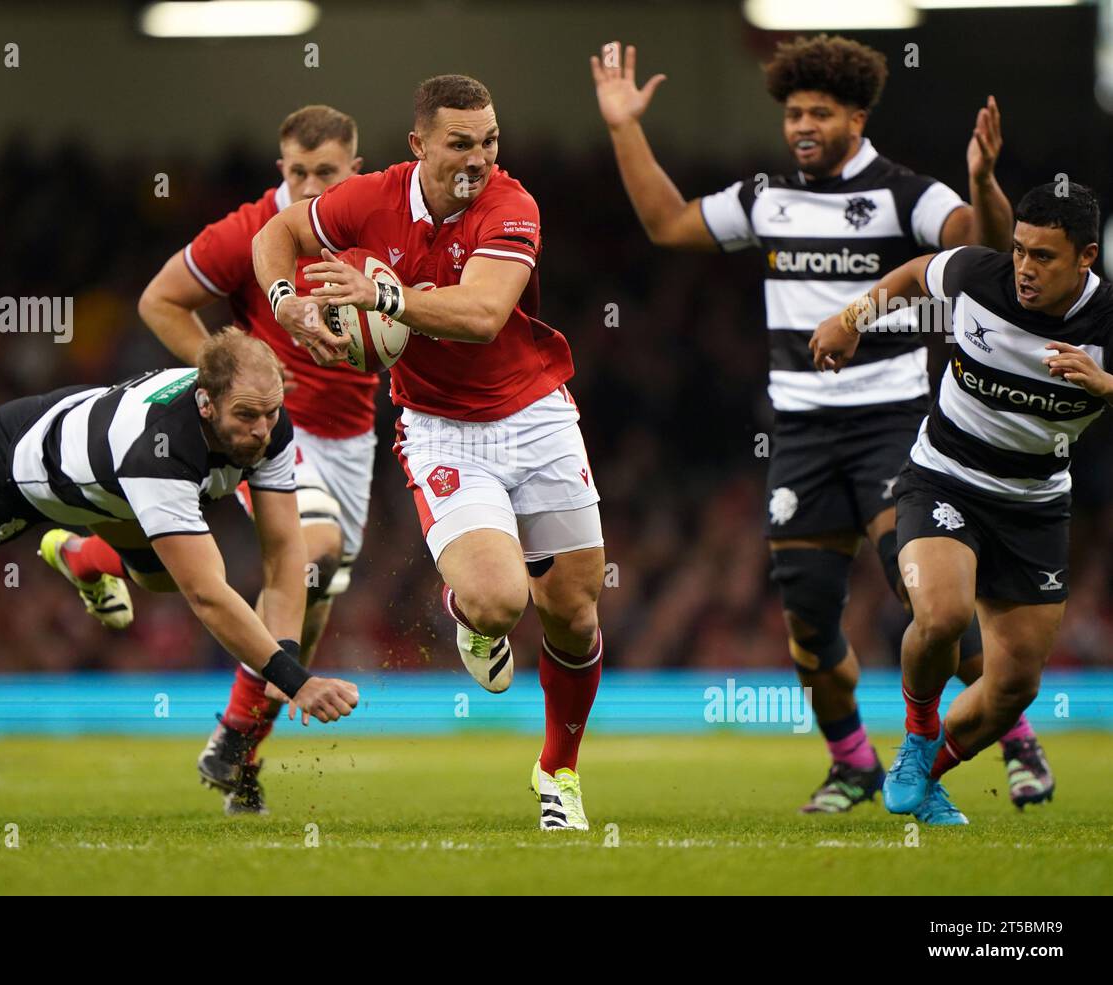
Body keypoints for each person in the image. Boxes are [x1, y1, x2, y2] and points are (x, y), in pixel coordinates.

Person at [591, 35, 1053, 813]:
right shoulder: (768, 197)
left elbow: (989, 246)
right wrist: (623, 125)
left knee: (927, 603)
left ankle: (1014, 738)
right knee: (808, 626)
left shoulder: (907, 195)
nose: (802, 125)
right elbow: (669, 222)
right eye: (793, 113)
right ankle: (853, 764)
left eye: (819, 112)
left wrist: (980, 179)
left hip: (893, 427)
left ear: (857, 116)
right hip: (801, 436)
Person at [253, 74, 605, 831]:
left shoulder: (513, 205)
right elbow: (274, 235)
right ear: (419, 146)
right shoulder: (370, 198)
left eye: (490, 142)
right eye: (459, 144)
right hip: (443, 427)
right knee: (499, 599)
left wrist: (381, 297)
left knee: (574, 611)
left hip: (535, 413)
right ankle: (468, 614)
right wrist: (289, 303)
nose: (478, 159)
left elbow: (480, 315)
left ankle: (558, 772)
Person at [0, 331, 359, 727]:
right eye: (246, 416)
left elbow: (285, 551)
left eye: (270, 413)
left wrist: (282, 660)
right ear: (205, 401)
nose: (263, 430)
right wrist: (296, 680)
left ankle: (83, 556)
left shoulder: (267, 422)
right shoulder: (160, 452)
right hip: (13, 465)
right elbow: (209, 595)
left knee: (161, 578)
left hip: (100, 486)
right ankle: (81, 550)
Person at [811, 181, 1107, 823]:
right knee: (941, 616)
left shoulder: (1107, 321)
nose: (1025, 269)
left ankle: (932, 772)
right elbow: (918, 273)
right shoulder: (981, 274)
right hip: (943, 478)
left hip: (1034, 507)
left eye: (1045, 257)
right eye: (1020, 250)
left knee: (1013, 687)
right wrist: (849, 319)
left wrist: (1105, 383)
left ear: (1086, 257)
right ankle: (917, 738)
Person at [132, 105, 377, 813]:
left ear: (352, 171)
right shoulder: (248, 232)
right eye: (296, 172)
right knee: (311, 551)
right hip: (275, 434)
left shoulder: (372, 223)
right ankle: (235, 738)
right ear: (280, 169)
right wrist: (237, 371)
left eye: (324, 173)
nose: (307, 186)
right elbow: (160, 302)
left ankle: (238, 750)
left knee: (309, 605)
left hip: (352, 445)